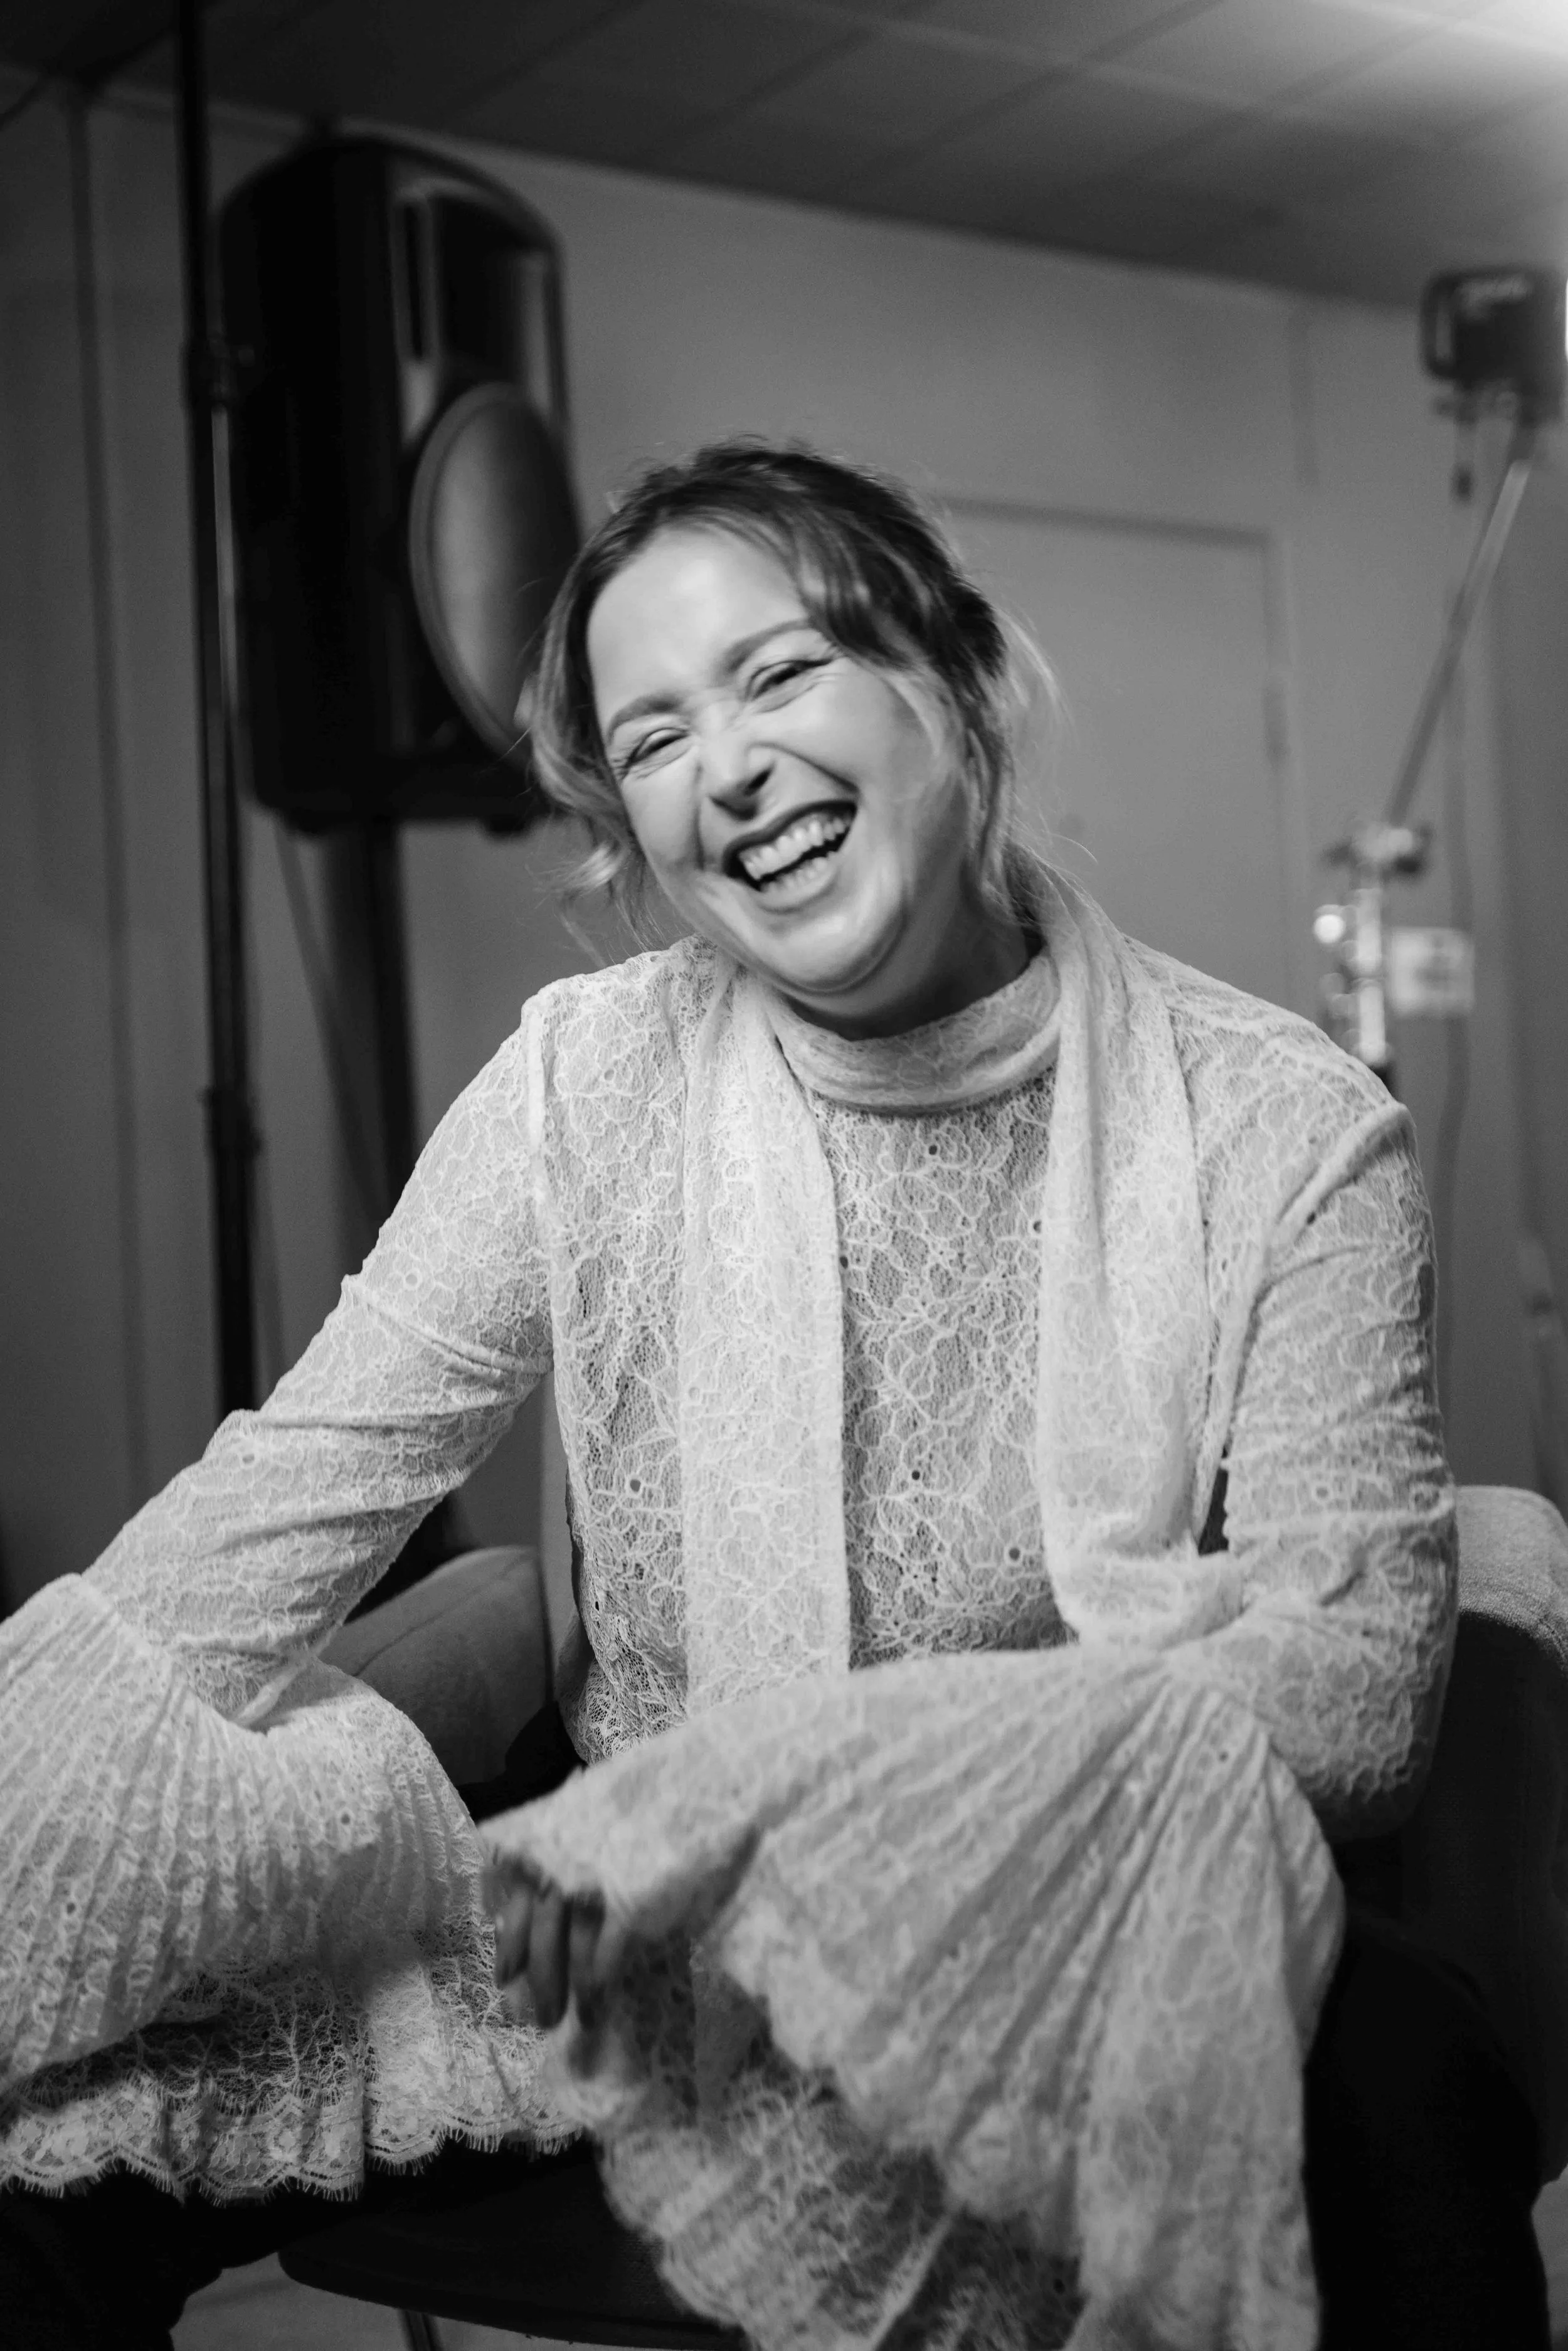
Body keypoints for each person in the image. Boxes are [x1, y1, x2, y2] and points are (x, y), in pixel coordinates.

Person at [0, 441, 1547, 2350]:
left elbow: (1345, 1702)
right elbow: (288, 1496)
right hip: (632, 1943)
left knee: (1399, 2074)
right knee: (59, 2126)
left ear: (958, 681)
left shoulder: (1286, 1125)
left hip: (1080, 1937)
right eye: (649, 737)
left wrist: (794, 1822)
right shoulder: (586, 1082)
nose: (721, 765)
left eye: (781, 671)